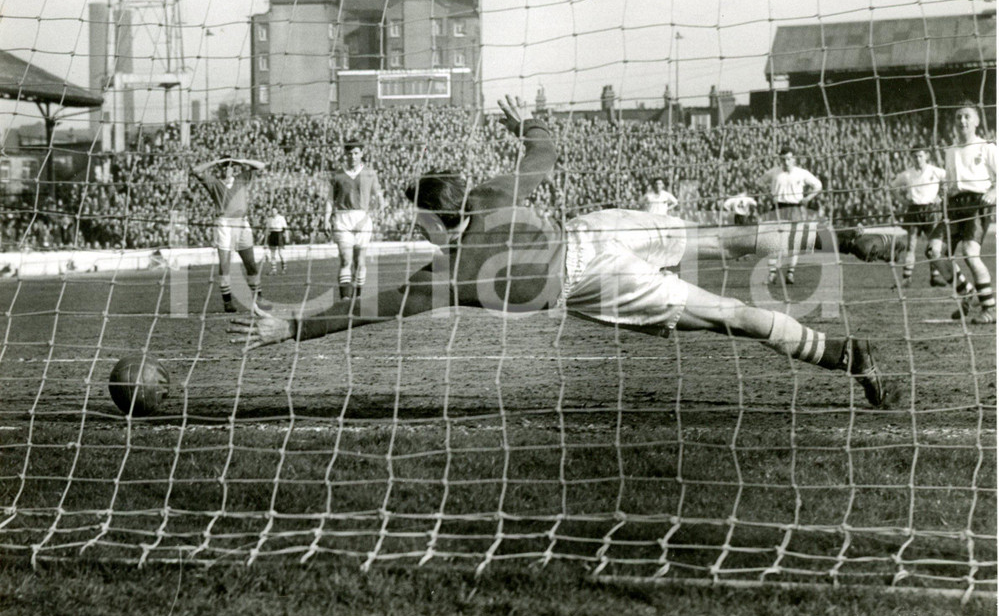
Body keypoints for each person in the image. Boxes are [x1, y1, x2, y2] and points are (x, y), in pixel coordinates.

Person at [232, 95, 894, 409]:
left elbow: (371, 309)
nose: (414, 221)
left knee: (729, 315)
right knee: (727, 239)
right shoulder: (492, 192)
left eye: (417, 213)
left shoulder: (449, 274)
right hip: (597, 229)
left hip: (593, 278)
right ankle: (853, 240)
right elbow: (544, 152)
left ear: (436, 218)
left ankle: (845, 354)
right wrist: (531, 124)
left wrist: (290, 325)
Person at [927, 102, 997, 324]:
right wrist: (943, 195)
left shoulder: (987, 147)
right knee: (933, 251)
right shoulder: (950, 151)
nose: (962, 121)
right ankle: (967, 293)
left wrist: (994, 191)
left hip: (977, 204)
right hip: (954, 206)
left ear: (976, 121)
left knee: (969, 253)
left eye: (967, 116)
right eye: (958, 117)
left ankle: (990, 308)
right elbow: (949, 182)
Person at [192, 157, 267, 313]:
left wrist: (240, 160)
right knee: (225, 265)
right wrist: (214, 162)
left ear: (234, 168)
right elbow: (195, 170)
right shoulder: (214, 183)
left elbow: (261, 166)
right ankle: (227, 302)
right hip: (224, 224)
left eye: (230, 166)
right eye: (224, 166)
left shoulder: (241, 179)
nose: (227, 169)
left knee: (251, 264)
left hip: (242, 223)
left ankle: (258, 299)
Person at [889, 147, 966, 290]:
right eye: (915, 157)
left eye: (920, 156)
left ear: (926, 156)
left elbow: (950, 180)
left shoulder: (935, 171)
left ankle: (935, 276)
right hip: (915, 210)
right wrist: (903, 201)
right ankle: (907, 278)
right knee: (911, 245)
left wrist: (941, 196)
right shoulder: (907, 174)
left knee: (933, 245)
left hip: (931, 210)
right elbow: (892, 186)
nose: (918, 159)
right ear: (911, 158)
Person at [325, 140, 384, 300]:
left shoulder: (370, 173)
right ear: (345, 154)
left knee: (360, 262)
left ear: (361, 154)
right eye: (350, 153)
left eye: (356, 153)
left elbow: (378, 194)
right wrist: (325, 219)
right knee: (346, 259)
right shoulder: (337, 175)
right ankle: (345, 299)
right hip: (342, 218)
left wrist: (381, 208)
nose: (353, 156)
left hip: (362, 218)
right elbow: (330, 199)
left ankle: (357, 297)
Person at [759, 146, 823, 285]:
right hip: (778, 207)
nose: (785, 162)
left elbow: (818, 185)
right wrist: (769, 195)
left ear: (794, 159)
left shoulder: (801, 173)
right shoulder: (774, 172)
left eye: (788, 159)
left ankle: (790, 273)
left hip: (795, 208)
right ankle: (772, 274)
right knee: (772, 241)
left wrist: (807, 198)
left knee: (794, 242)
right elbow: (759, 182)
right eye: (783, 159)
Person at [265, 207, 289, 274]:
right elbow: (267, 229)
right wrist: (266, 239)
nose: (273, 212)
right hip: (272, 234)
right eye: (272, 211)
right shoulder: (269, 219)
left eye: (274, 210)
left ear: (277, 211)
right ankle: (274, 270)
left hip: (279, 234)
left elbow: (285, 228)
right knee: (272, 253)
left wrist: (287, 237)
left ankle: (284, 268)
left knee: (281, 253)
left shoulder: (281, 218)